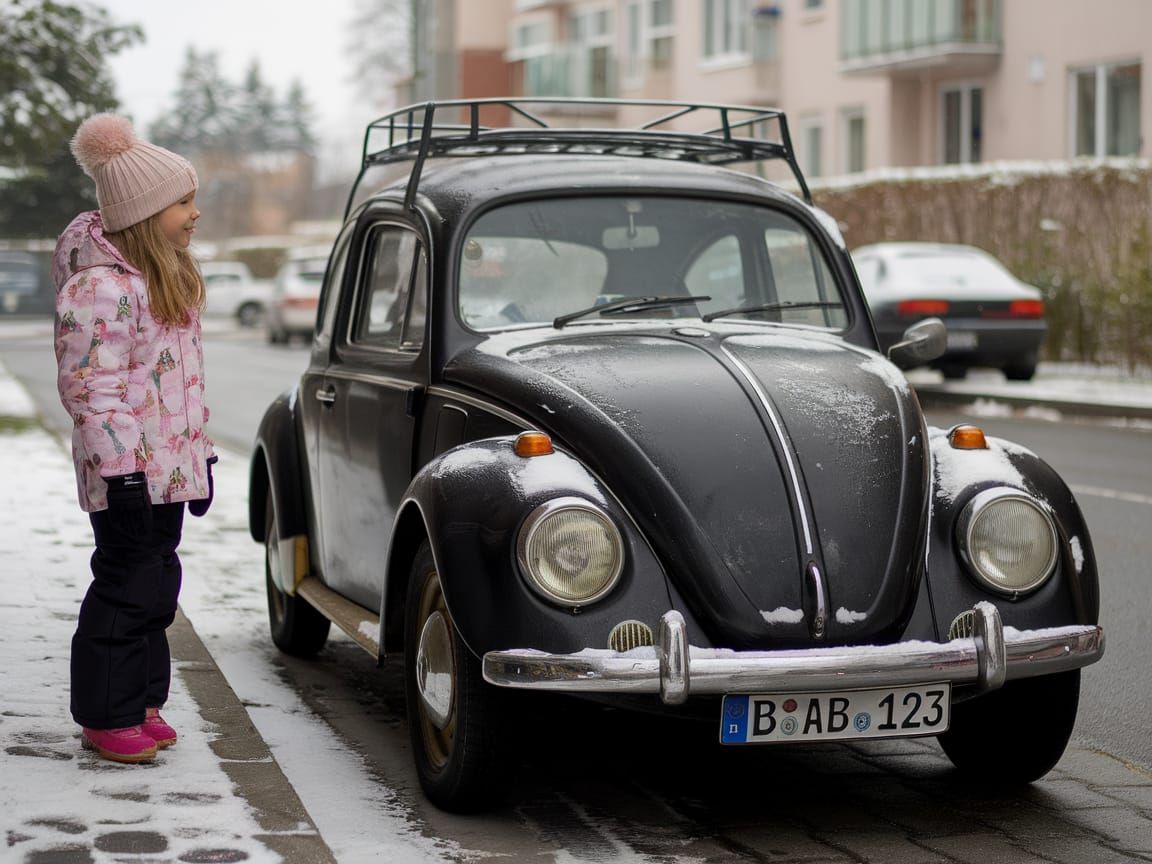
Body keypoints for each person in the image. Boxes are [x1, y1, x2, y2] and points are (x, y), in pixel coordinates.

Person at [52, 113, 217, 764]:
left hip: (167, 474)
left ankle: (143, 702)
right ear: (146, 214)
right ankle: (106, 715)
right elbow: (93, 390)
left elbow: (183, 388)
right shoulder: (100, 289)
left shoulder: (164, 281)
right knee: (124, 588)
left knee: (158, 587)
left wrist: (200, 458)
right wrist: (120, 476)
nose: (195, 214)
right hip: (126, 476)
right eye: (183, 202)